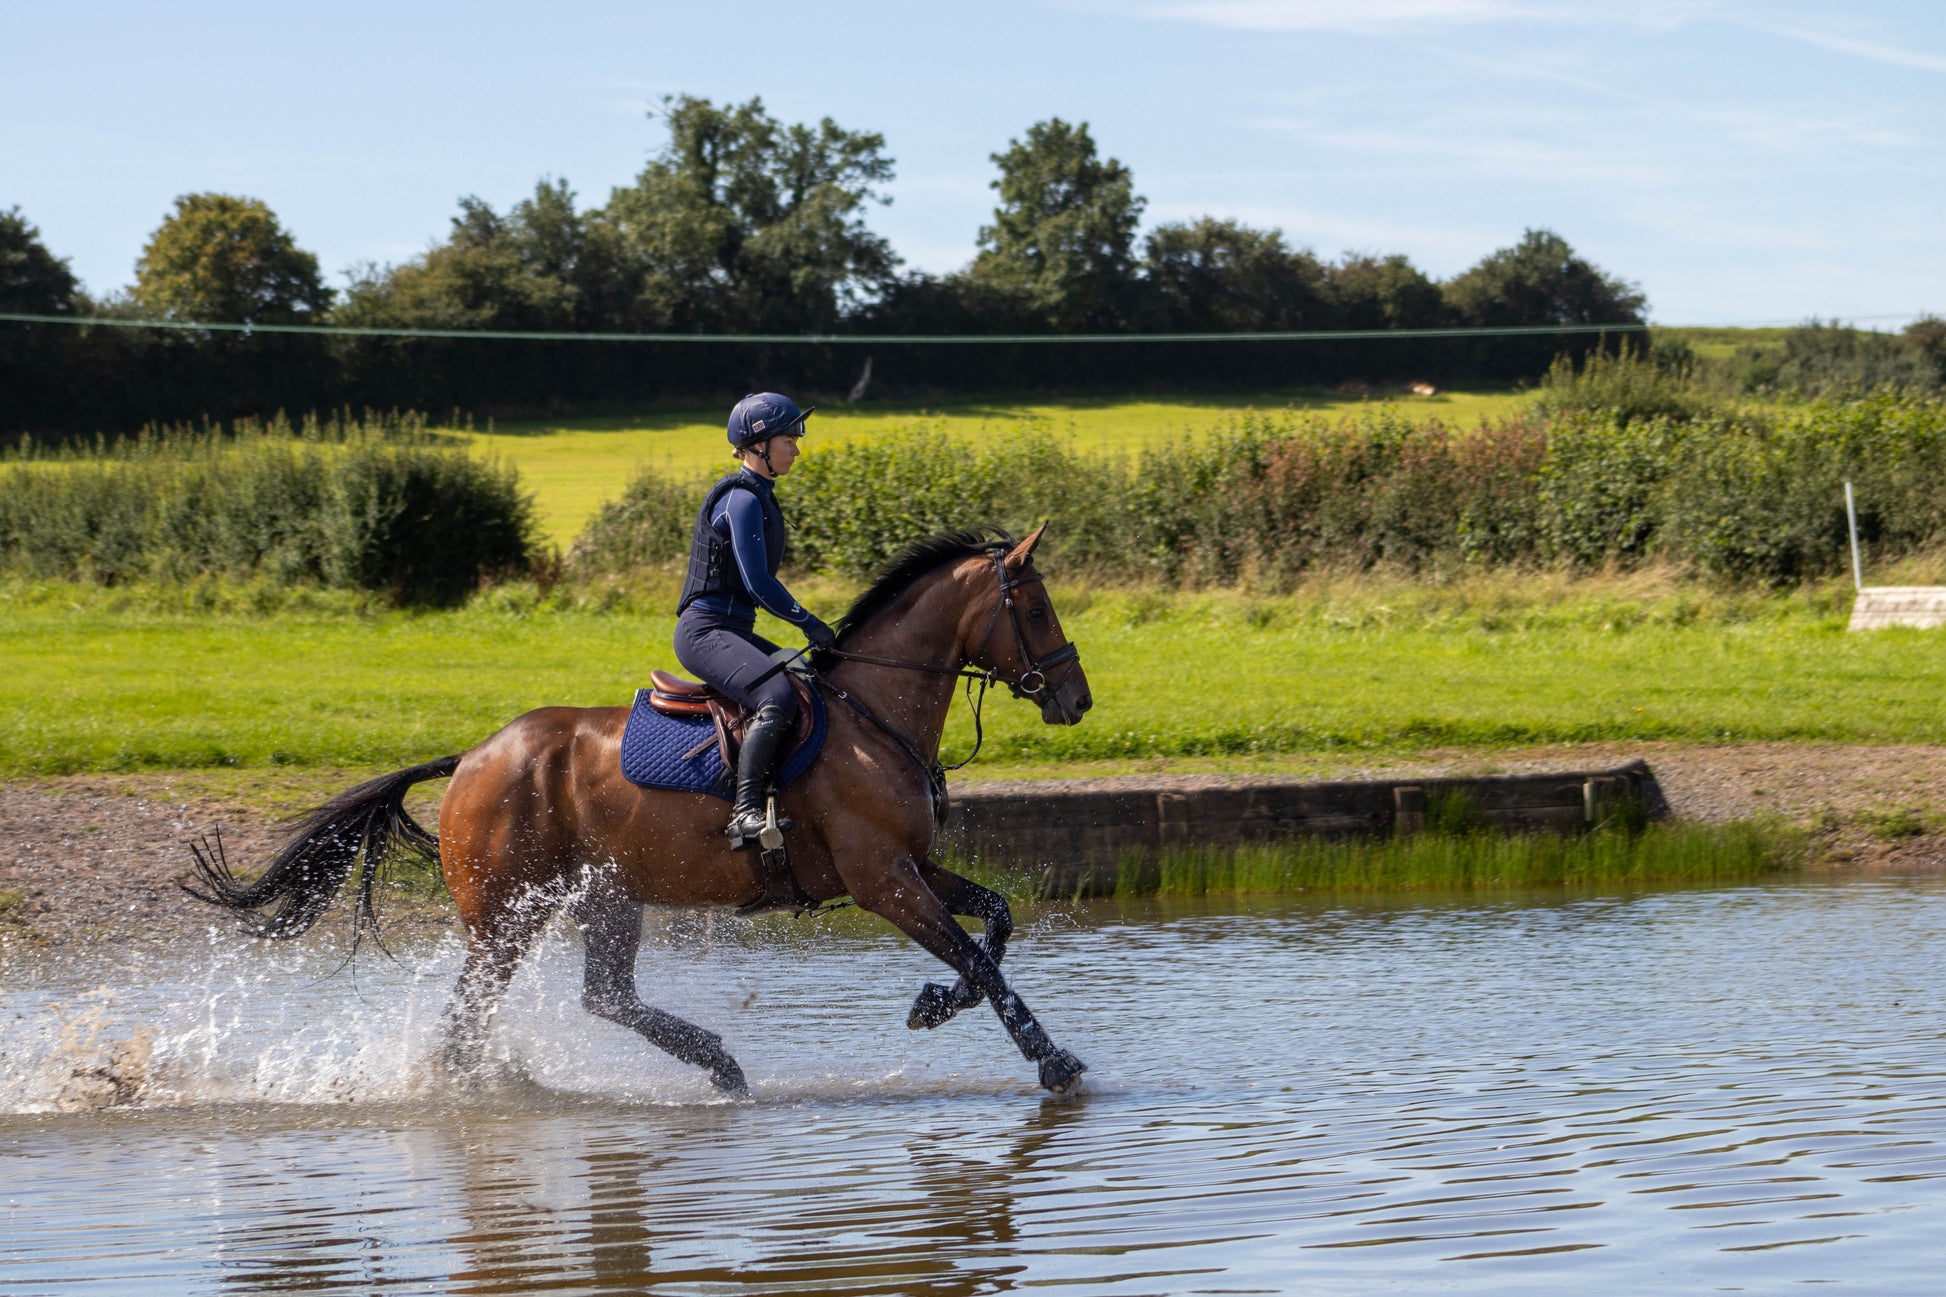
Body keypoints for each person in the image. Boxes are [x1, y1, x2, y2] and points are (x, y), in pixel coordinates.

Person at [674, 392, 837, 852]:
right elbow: (758, 582)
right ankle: (744, 812)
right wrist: (808, 623)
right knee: (777, 694)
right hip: (705, 632)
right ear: (759, 444)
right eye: (790, 440)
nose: (797, 450)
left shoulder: (761, 498)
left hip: (732, 630)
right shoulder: (741, 500)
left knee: (809, 679)